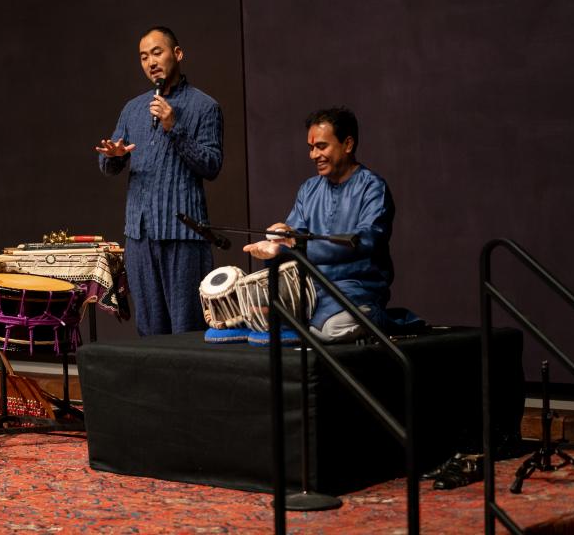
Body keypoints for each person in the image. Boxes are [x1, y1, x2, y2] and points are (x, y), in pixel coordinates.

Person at [96, 26, 223, 336]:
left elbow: (211, 165)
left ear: (177, 54)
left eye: (157, 52)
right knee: (149, 331)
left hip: (183, 235)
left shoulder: (205, 106)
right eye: (143, 57)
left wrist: (174, 126)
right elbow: (109, 166)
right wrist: (113, 156)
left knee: (187, 330)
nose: (150, 62)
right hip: (140, 236)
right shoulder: (133, 108)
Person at [243, 106, 394, 342]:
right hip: (310, 289)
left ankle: (371, 316)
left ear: (348, 144)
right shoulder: (309, 189)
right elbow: (293, 241)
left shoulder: (373, 188)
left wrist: (293, 242)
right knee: (247, 309)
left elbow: (365, 242)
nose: (313, 155)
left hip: (355, 289)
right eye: (311, 148)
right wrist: (276, 248)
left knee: (330, 329)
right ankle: (299, 318)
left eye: (321, 146)